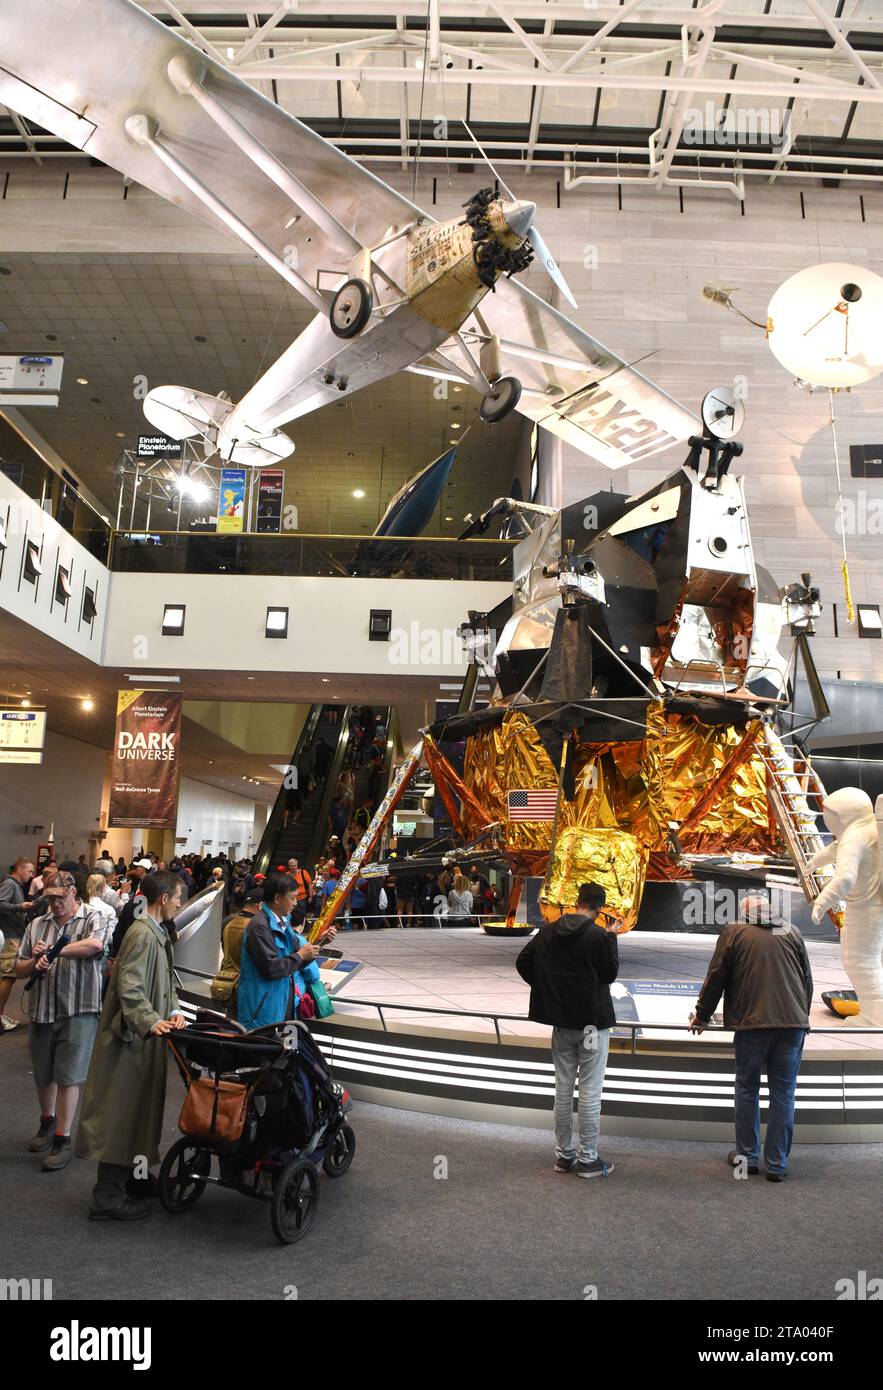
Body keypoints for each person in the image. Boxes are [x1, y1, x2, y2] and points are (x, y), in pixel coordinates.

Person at [75, 870, 186, 1220]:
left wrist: (172, 1010)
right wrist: (151, 1021)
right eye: (179, 897)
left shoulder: (154, 932)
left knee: (139, 1114)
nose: (181, 904)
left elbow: (161, 982)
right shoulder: (142, 934)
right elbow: (131, 987)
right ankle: (107, 1197)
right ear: (163, 898)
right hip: (130, 1041)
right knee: (119, 1115)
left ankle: (136, 1177)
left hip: (144, 1040)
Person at [690, 890, 813, 1183]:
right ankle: (778, 1165)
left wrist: (702, 1015)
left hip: (752, 1025)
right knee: (783, 1093)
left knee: (747, 1088)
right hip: (792, 1026)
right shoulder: (792, 931)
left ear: (745, 911)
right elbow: (807, 980)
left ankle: (747, 1158)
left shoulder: (734, 931)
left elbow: (716, 976)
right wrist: (800, 1016)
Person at [516, 883, 619, 1179]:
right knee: (589, 1091)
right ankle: (588, 1159)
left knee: (563, 1088)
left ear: (576, 902)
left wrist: (548, 987)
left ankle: (564, 1156)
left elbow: (522, 962)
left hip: (562, 1022)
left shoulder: (548, 930)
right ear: (600, 907)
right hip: (591, 1024)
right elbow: (610, 974)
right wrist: (612, 938)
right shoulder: (598, 935)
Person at [14, 870, 113, 1171]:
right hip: (42, 1009)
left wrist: (55, 952)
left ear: (73, 893)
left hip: (78, 1010)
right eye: (49, 898)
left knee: (69, 1076)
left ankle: (62, 1138)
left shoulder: (94, 917)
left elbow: (95, 946)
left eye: (59, 898)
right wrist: (35, 960)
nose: (54, 904)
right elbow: (19, 968)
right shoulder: (36, 925)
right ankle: (47, 1122)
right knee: (44, 1073)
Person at [236, 872, 336, 1030]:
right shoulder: (259, 926)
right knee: (264, 1052)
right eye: (293, 897)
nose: (296, 903)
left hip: (280, 1006)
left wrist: (319, 943)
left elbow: (299, 957)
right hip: (261, 1012)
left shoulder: (281, 923)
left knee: (284, 1051)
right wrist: (300, 955)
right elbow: (272, 968)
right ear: (277, 898)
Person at [0, 857, 35, 1033]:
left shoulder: (14, 885)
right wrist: (20, 907)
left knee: (9, 976)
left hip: (13, 935)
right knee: (8, 976)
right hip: (10, 936)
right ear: (19, 869)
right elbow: (0, 904)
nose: (31, 875)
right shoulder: (10, 884)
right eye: (29, 871)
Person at [211, 887, 262, 1006]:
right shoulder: (256, 927)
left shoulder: (228, 922)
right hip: (246, 987)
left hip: (227, 984)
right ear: (260, 905)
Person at [286, 858, 313, 924]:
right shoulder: (287, 875)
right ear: (289, 866)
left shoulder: (303, 873)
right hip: (291, 899)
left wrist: (310, 896)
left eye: (295, 865)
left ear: (297, 865)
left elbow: (309, 884)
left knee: (302, 913)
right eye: (291, 866)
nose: (293, 867)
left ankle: (302, 926)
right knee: (292, 913)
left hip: (302, 898)